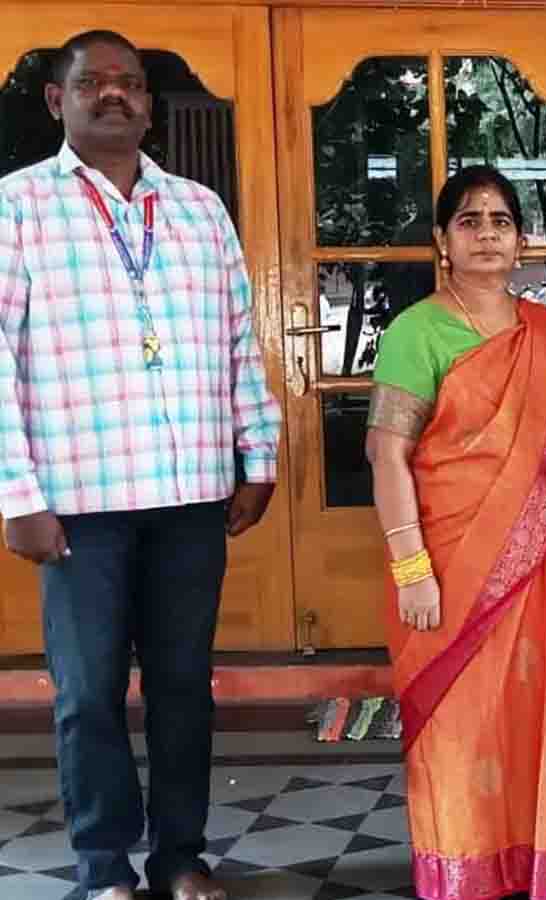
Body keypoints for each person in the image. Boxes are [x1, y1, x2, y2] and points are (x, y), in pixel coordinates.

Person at [0, 30, 281, 900]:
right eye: (93, 82)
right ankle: (103, 867)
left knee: (183, 689)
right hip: (77, 501)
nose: (113, 94)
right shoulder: (16, 206)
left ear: (149, 106)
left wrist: (258, 454)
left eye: (129, 83)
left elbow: (239, 341)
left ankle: (180, 858)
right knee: (87, 694)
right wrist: (17, 494)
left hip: (190, 493)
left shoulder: (199, 210)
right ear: (59, 100)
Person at [366, 165, 546, 900]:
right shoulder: (415, 331)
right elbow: (387, 454)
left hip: (543, 560)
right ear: (442, 240)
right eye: (469, 221)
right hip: (447, 562)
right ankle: (467, 868)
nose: (486, 234)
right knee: (463, 723)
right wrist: (411, 570)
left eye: (500, 221)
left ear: (520, 240)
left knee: (540, 713)